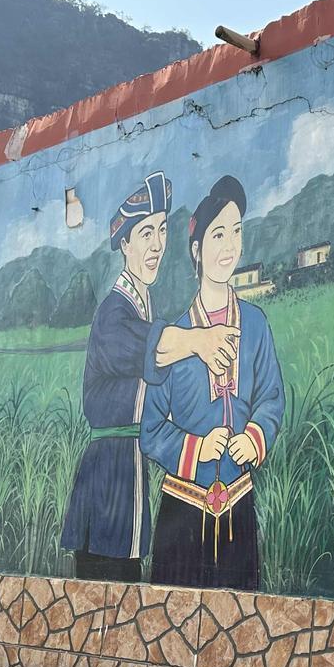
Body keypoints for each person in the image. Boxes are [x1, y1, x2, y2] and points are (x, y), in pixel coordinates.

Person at [59, 171, 240, 583]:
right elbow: (155, 347)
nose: (158, 244)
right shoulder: (113, 313)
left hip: (131, 470)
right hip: (109, 478)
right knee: (107, 583)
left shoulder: (143, 306)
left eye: (161, 230)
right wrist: (200, 340)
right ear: (125, 245)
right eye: (145, 233)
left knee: (128, 578)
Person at [141, 175, 284, 589]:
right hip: (182, 509)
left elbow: (272, 396)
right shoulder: (176, 337)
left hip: (239, 502)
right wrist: (197, 448)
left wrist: (255, 437)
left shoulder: (255, 325)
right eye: (218, 235)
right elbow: (150, 429)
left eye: (236, 232)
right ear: (196, 250)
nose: (229, 246)